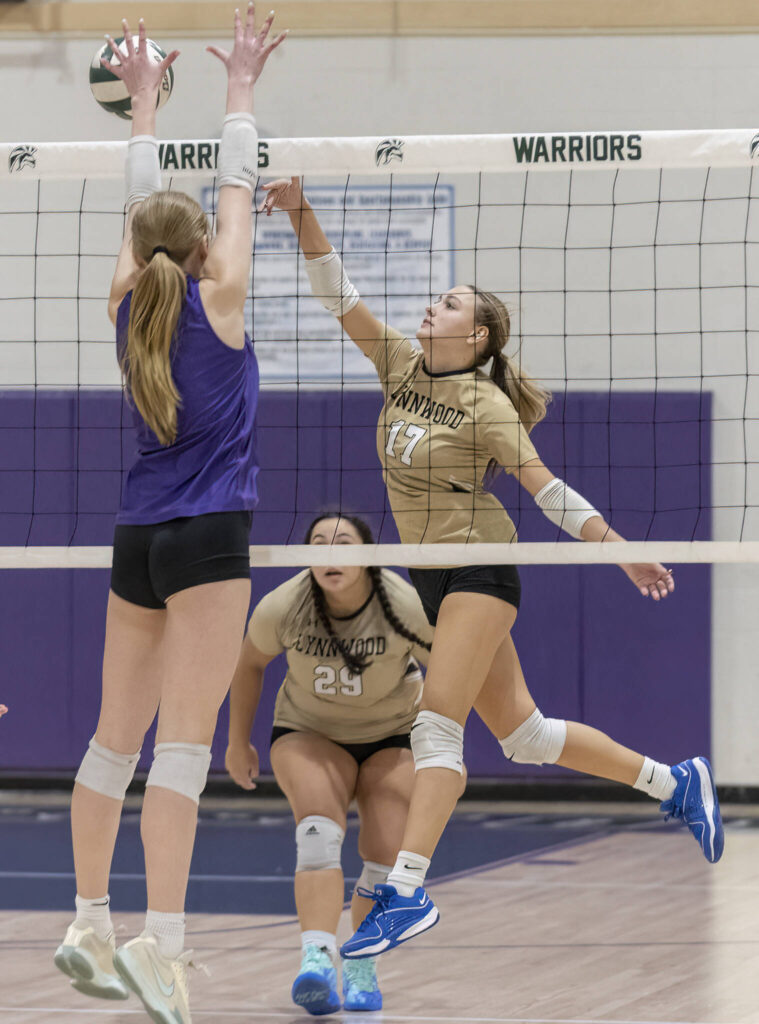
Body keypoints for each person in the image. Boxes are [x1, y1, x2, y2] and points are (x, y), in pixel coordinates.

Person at [257, 176, 724, 959]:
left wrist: (618, 549)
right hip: (432, 577)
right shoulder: (400, 364)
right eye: (436, 298)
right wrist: (301, 211)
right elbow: (338, 296)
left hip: (480, 566)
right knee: (526, 735)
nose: (431, 306)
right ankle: (674, 783)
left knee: (435, 730)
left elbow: (546, 491)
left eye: (448, 303)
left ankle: (404, 892)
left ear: (475, 337)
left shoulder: (486, 406)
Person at [53, 9, 285, 1022]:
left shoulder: (123, 307)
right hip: (206, 539)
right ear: (203, 252)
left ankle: (88, 921)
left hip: (139, 538)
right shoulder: (219, 295)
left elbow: (146, 211)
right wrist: (239, 85)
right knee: (182, 754)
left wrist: (143, 106)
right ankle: (165, 947)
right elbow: (232, 185)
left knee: (114, 743)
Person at [226, 512, 437, 1013]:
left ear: (366, 556)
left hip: (394, 734)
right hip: (310, 731)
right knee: (318, 834)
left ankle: (360, 964)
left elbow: (452, 668)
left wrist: (447, 745)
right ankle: (316, 959)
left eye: (342, 542)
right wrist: (238, 742)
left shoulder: (404, 604)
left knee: (385, 854)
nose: (329, 551)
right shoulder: (285, 605)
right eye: (318, 542)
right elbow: (249, 663)